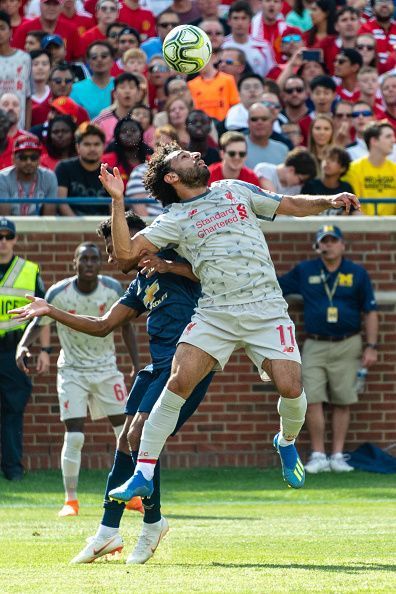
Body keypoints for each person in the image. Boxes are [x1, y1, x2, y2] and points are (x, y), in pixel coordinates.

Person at [98, 143, 359, 503]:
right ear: (172, 177)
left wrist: (328, 200)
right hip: (216, 311)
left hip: (265, 308)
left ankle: (285, 441)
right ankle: (142, 474)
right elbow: (125, 255)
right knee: (177, 382)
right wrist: (116, 199)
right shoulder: (172, 219)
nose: (198, 156)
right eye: (186, 157)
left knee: (292, 387)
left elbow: (289, 203)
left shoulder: (234, 188)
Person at [11, 211, 214, 564]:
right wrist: (51, 310)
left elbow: (210, 274)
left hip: (186, 363)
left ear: (134, 239)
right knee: (128, 441)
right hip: (156, 367)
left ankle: (146, 524)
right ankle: (112, 531)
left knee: (138, 436)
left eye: (112, 247)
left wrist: (169, 266)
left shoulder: (177, 255)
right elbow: (103, 325)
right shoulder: (138, 284)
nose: (109, 257)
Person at [15, 241, 139, 516]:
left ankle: (129, 495)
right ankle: (70, 500)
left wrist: (136, 364)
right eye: (84, 259)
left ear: (99, 263)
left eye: (94, 259)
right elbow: (39, 321)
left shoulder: (112, 290)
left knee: (126, 432)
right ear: (74, 263)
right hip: (72, 370)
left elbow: (126, 326)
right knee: (75, 436)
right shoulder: (59, 293)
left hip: (107, 369)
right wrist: (23, 345)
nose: (89, 264)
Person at [278, 225, 378, 473]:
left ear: (342, 245)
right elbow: (275, 288)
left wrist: (372, 346)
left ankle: (337, 455)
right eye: (324, 241)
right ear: (318, 245)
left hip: (348, 343)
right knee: (312, 400)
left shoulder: (356, 273)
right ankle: (319, 454)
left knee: (343, 400)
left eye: (333, 240)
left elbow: (371, 310)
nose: (329, 245)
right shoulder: (305, 270)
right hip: (315, 343)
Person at [0, 217, 48, 480]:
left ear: (16, 239)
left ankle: (12, 469)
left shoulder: (28, 270)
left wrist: (44, 351)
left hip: (12, 350)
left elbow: (43, 313)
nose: (3, 242)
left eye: (8, 236)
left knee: (12, 411)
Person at [56, 122, 110, 216]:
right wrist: (78, 228)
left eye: (96, 144)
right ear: (77, 147)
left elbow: (114, 206)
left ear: (103, 147)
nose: (92, 149)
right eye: (87, 144)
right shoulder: (63, 168)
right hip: (72, 226)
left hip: (103, 227)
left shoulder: (109, 173)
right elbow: (61, 203)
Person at [344, 121, 396, 216]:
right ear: (374, 141)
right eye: (388, 136)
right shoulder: (353, 169)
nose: (393, 140)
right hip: (362, 227)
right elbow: (352, 207)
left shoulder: (394, 169)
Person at [0, 134, 57, 216]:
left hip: (39, 227)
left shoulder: (49, 177)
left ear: (39, 159)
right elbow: (4, 219)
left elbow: (48, 218)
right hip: (10, 227)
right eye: (23, 157)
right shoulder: (2, 178)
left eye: (33, 157)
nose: (28, 162)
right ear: (13, 159)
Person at [13, 0, 82, 62]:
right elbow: (15, 58)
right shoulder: (24, 29)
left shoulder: (71, 29)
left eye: (55, 4)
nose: (51, 8)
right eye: (47, 3)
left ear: (61, 6)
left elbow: (78, 59)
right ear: (40, 5)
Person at [223, 0, 276, 78]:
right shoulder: (222, 45)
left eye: (244, 18)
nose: (240, 23)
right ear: (229, 21)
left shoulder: (263, 46)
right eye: (236, 18)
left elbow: (271, 74)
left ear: (250, 21)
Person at [0, 10, 32, 129]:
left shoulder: (24, 58)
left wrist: (27, 129)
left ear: (10, 32)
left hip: (18, 127)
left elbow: (28, 97)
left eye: (2, 28)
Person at [301, 146, 355, 215]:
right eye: (325, 158)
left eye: (332, 160)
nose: (327, 162)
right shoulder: (310, 186)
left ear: (343, 168)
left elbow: (353, 212)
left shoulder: (346, 189)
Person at [70, 41, 115, 120]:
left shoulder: (120, 86)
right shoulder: (75, 89)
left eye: (104, 56)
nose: (99, 60)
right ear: (88, 62)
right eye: (94, 57)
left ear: (112, 60)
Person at [103, 117, 153, 187]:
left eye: (134, 131)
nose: (129, 133)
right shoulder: (106, 162)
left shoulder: (151, 161)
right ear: (117, 136)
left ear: (141, 134)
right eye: (124, 131)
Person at [93, 73, 140, 145]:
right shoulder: (100, 121)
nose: (127, 91)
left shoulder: (144, 120)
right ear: (114, 94)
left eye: (131, 87)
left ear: (138, 94)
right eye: (122, 87)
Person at [245, 102, 289, 168]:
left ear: (272, 122)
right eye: (254, 119)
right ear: (248, 122)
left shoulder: (282, 150)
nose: (259, 122)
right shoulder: (238, 148)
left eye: (264, 119)